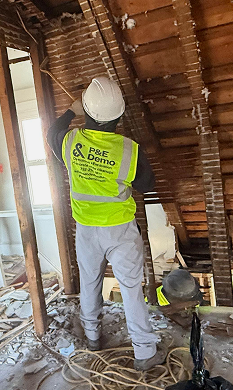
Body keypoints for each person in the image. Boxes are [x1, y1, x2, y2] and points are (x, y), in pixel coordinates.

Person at [46, 76, 164, 371]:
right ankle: (145, 353)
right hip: (121, 230)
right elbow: (147, 184)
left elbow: (52, 133)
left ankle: (93, 337)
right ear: (120, 115)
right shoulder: (129, 150)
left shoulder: (70, 141)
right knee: (131, 290)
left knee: (89, 283)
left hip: (85, 229)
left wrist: (72, 110)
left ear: (87, 112)